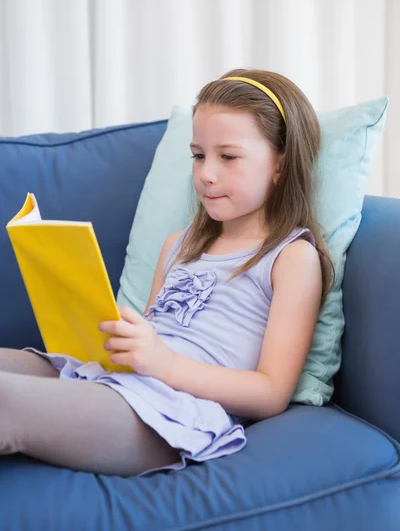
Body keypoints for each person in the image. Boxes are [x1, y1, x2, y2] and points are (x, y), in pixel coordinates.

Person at [0, 69, 333, 477]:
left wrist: (164, 363)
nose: (206, 173)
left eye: (228, 157)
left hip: (169, 415)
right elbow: (154, 334)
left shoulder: (291, 257)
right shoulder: (178, 245)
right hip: (120, 379)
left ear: (280, 164)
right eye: (198, 155)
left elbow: (271, 393)